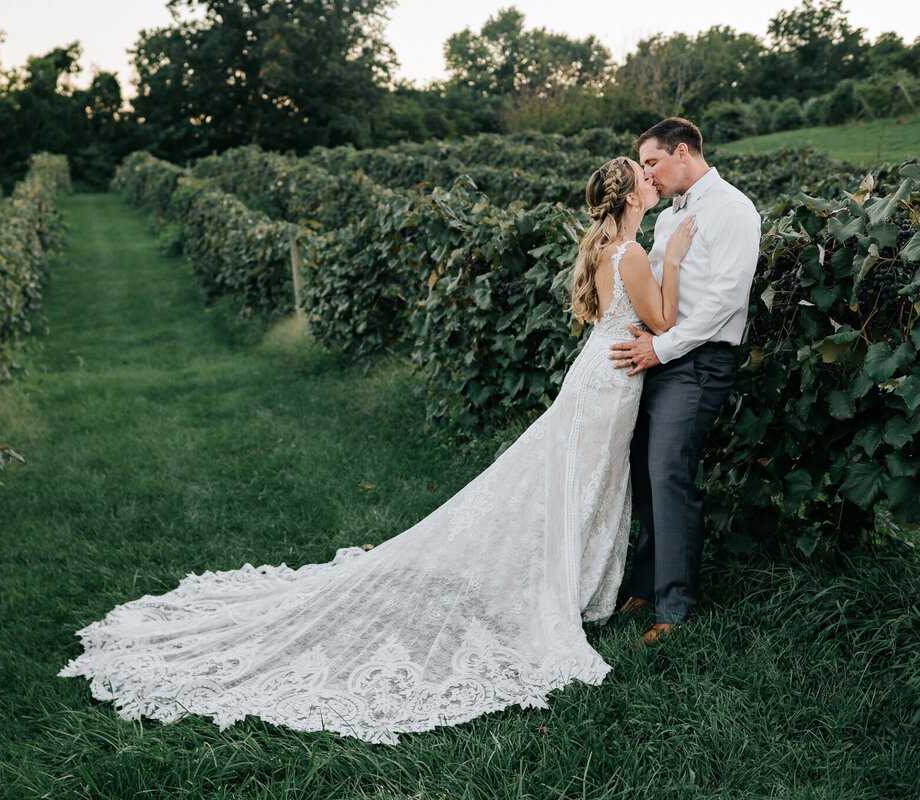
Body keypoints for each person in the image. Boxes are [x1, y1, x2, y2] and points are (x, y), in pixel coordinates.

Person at [59, 158, 696, 744]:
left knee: (576, 483)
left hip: (600, 380)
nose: (652, 180)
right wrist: (675, 260)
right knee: (580, 484)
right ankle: (545, 589)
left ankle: (556, 582)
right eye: (644, 178)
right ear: (630, 198)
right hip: (608, 385)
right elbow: (664, 323)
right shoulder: (634, 255)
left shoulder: (607, 249)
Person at [609, 118, 761, 644]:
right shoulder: (669, 215)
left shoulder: (732, 209)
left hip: (697, 363)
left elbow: (726, 300)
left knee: (670, 476)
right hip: (659, 356)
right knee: (646, 475)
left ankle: (674, 610)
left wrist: (662, 347)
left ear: (682, 152)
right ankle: (645, 586)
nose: (647, 174)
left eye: (651, 162)